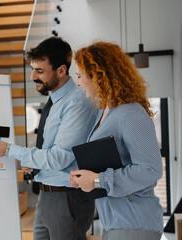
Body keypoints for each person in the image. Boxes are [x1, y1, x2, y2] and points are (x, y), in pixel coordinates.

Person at [0, 37, 97, 240]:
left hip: (66, 197)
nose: (33, 76)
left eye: (40, 71)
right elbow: (51, 150)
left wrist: (9, 150)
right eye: (33, 69)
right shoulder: (55, 100)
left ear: (61, 71)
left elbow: (59, 157)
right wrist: (34, 164)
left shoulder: (77, 104)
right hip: (47, 195)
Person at [70, 41, 163, 240]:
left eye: (79, 76)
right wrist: (84, 177)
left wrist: (96, 180)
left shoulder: (130, 113)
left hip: (135, 222)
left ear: (98, 76)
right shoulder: (106, 112)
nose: (77, 83)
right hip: (116, 223)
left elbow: (151, 169)